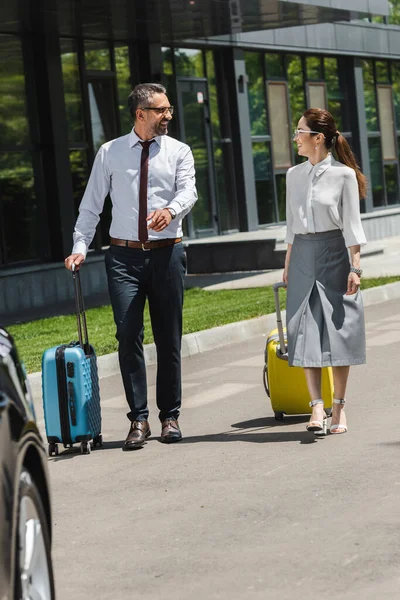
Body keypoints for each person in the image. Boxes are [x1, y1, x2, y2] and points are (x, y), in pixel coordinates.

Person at [64, 83, 197, 450]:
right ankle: (138, 419)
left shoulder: (179, 152)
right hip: (123, 258)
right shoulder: (110, 153)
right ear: (141, 114)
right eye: (161, 110)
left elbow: (189, 192)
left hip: (168, 253)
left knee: (168, 336)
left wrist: (170, 210)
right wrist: (79, 246)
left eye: (169, 109)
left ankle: (169, 416)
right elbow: (91, 206)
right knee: (127, 336)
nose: (169, 115)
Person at [283, 108, 367, 435]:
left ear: (318, 138)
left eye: (300, 131)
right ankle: (316, 405)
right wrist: (288, 263)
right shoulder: (293, 175)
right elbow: (291, 225)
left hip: (335, 253)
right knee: (304, 331)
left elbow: (352, 227)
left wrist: (355, 267)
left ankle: (340, 409)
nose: (295, 137)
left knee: (338, 331)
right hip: (302, 254)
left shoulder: (343, 175)